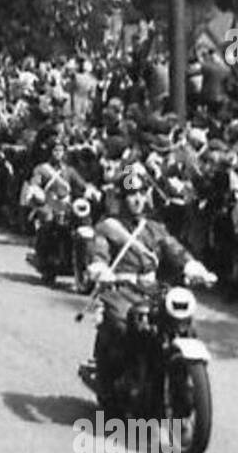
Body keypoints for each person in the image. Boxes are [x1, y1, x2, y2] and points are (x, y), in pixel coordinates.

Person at [85, 168, 215, 402]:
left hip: (153, 289)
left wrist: (192, 266)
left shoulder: (154, 228)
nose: (137, 199)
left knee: (181, 322)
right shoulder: (108, 226)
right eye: (131, 194)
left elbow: (174, 249)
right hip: (121, 288)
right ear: (122, 198)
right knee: (121, 327)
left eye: (141, 193)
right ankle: (113, 380)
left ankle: (178, 377)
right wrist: (100, 268)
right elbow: (99, 252)